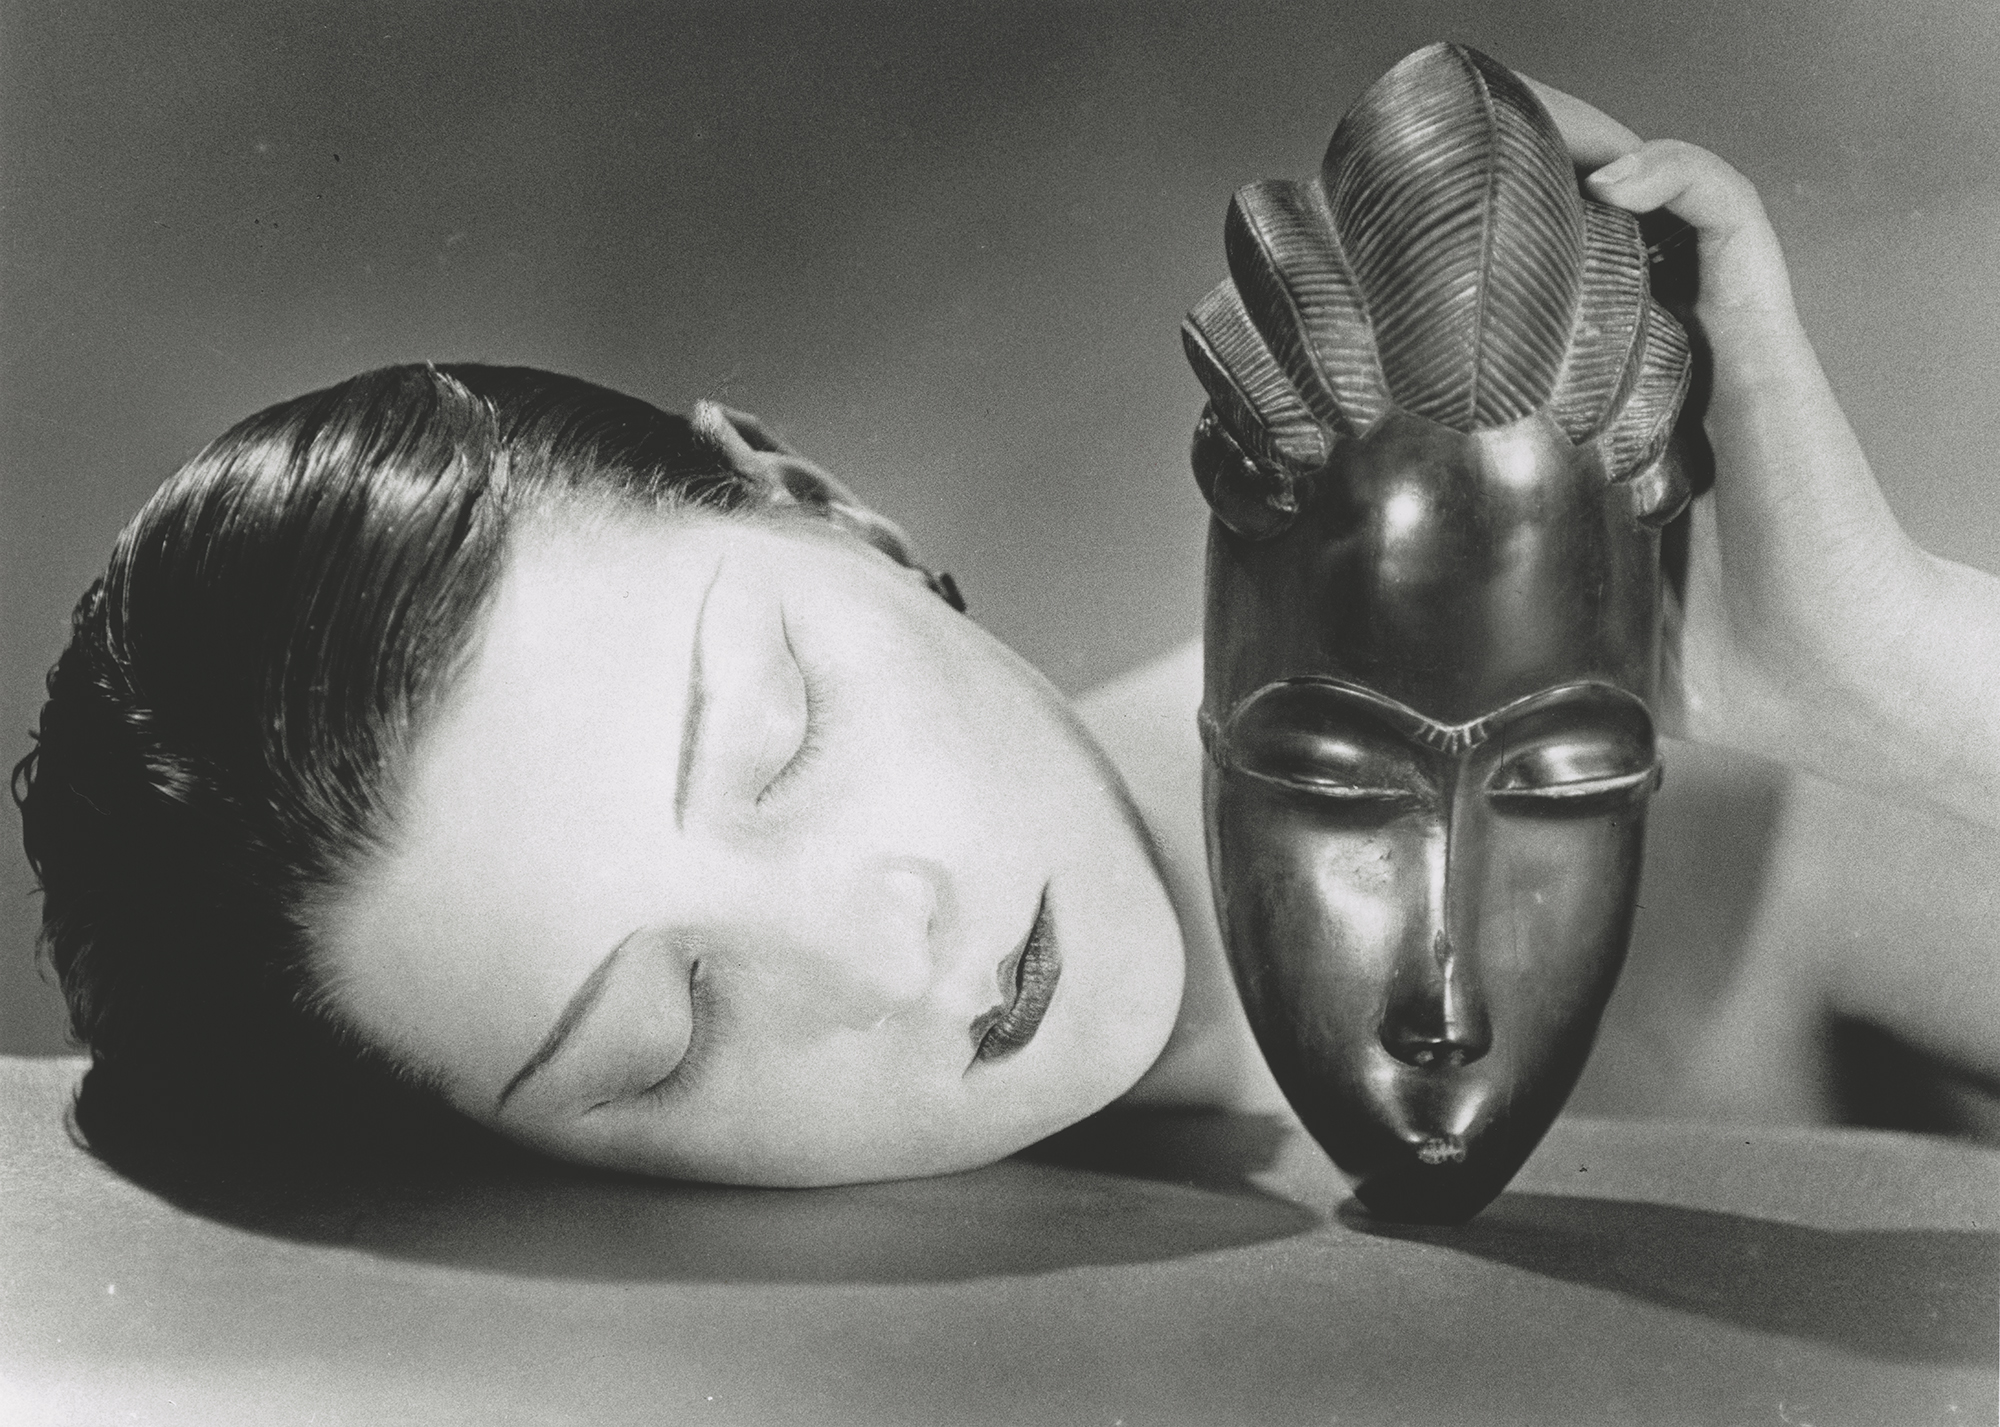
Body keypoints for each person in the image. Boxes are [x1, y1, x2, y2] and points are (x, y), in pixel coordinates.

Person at [14, 80, 2000, 1188]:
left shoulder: (1741, 833)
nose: (886, 948)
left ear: (828, 505)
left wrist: (1899, 678)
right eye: (661, 1038)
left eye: (786, 730)